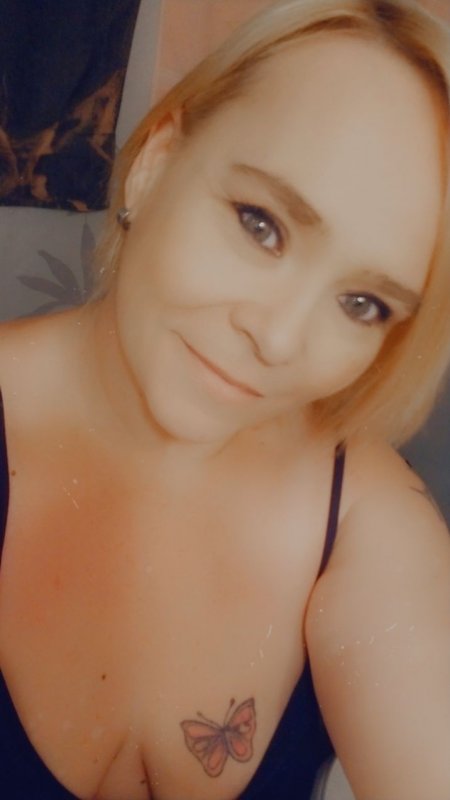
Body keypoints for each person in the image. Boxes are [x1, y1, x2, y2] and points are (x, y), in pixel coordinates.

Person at [0, 0, 449, 798]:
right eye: (260, 224)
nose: (278, 340)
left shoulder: (367, 525)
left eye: (362, 304)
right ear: (156, 160)